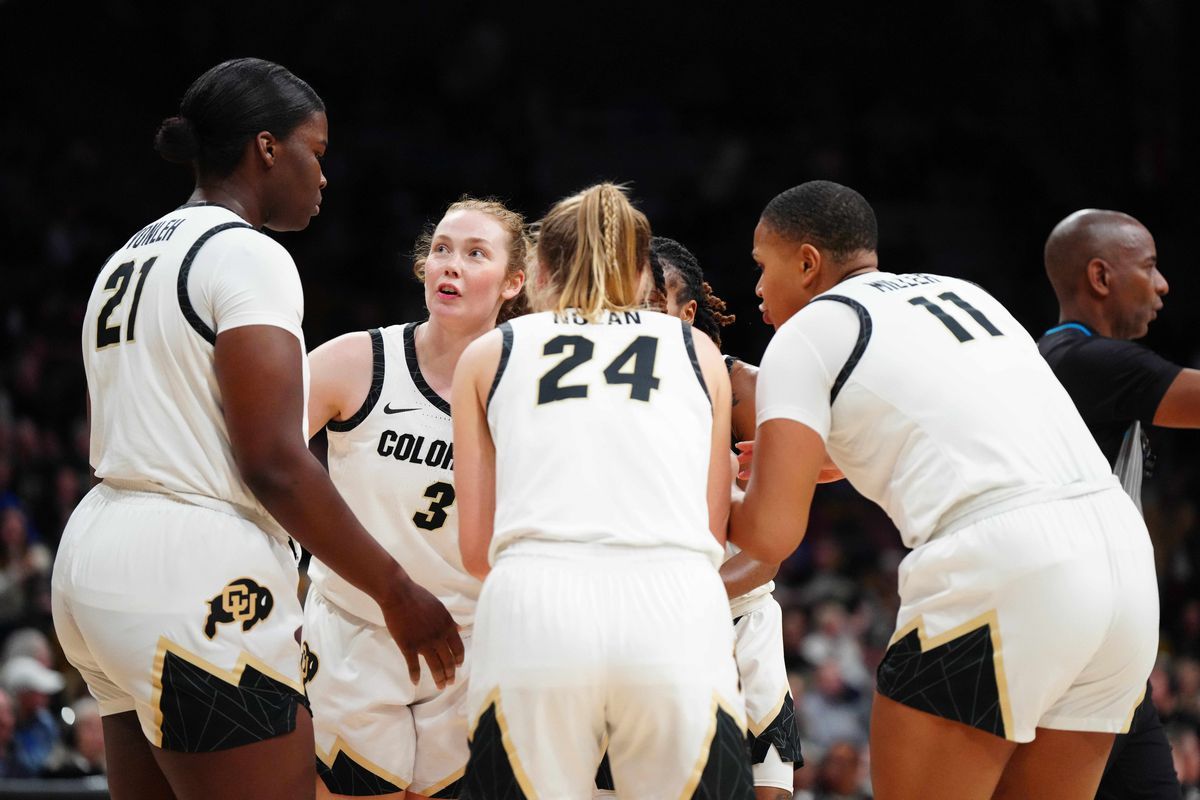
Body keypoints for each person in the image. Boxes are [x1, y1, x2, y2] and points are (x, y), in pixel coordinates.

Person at [50, 58, 461, 800]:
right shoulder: (246, 252)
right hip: (191, 564)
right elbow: (272, 459)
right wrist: (396, 591)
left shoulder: (131, 251)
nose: (324, 178)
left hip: (94, 556)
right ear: (267, 149)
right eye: (317, 152)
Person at [731, 180, 1159, 800]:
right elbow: (968, 433)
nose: (757, 290)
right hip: (1124, 570)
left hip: (1009, 567)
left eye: (760, 267)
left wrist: (705, 501)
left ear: (806, 262)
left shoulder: (807, 330)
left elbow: (772, 534)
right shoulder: (962, 293)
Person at [452, 183, 752, 798]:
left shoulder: (489, 353)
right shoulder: (696, 351)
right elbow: (713, 528)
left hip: (535, 606)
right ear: (644, 275)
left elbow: (477, 548)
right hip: (676, 608)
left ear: (536, 269)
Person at [303, 197, 526, 799]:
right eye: (441, 250)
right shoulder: (358, 360)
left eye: (475, 254)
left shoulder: (527, 388)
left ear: (514, 282)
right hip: (357, 630)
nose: (451, 264)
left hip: (474, 642)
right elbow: (258, 455)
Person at [1039, 208, 1200, 800]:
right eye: (1151, 267)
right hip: (1072, 655)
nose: (1163, 285)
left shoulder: (1065, 361)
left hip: (1106, 656)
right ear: (1101, 277)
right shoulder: (1083, 362)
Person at [655, 235, 803, 799]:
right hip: (647, 622)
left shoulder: (738, 384)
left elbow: (771, 548)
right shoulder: (600, 389)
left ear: (688, 312)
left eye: (653, 302)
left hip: (735, 613)